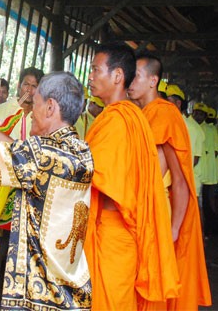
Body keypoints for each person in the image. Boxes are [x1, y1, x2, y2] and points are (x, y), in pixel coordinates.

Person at [0, 71, 94, 310]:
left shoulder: (41, 155)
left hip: (38, 293)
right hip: (70, 290)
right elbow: (14, 149)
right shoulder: (79, 150)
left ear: (51, 107)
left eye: (36, 103)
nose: (31, 112)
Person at [83, 43, 179, 310]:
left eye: (95, 69)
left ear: (117, 76)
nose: (90, 76)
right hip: (115, 233)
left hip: (113, 232)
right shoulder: (124, 116)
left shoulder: (119, 120)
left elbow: (97, 177)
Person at [128, 54, 210, 310]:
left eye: (137, 76)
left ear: (153, 80)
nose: (130, 81)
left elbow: (181, 180)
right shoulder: (139, 114)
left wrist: (173, 229)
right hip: (136, 209)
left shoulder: (165, 115)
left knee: (152, 282)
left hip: (157, 211)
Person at [165, 84, 205, 200]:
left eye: (168, 101)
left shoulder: (191, 128)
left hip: (185, 182)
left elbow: (193, 160)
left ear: (178, 103)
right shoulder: (168, 123)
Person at [0, 67, 44, 140]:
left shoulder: (42, 115)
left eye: (34, 86)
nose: (29, 90)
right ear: (19, 86)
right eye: (26, 84)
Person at [193, 102, 218, 238]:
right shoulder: (200, 129)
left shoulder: (206, 130)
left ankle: (205, 232)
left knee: (205, 203)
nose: (199, 116)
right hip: (203, 173)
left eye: (202, 114)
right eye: (197, 113)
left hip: (203, 174)